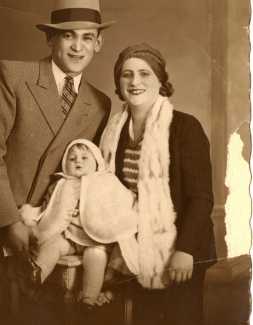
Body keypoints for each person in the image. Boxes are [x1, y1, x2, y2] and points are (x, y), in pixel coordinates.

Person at [0, 1, 114, 324]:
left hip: (45, 234)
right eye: (68, 36)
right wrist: (10, 220)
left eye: (86, 37)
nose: (77, 47)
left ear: (98, 43)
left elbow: (82, 176)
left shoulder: (99, 103)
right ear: (50, 40)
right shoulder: (13, 75)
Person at [100, 43, 217, 325]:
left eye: (145, 74)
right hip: (134, 245)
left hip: (181, 248)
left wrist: (185, 250)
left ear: (161, 81)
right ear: (118, 82)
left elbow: (201, 197)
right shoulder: (111, 131)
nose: (135, 82)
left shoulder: (184, 127)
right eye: (126, 75)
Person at [16, 139, 137, 310]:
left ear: (97, 163)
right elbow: (49, 208)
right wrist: (35, 215)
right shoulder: (61, 184)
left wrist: (134, 209)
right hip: (68, 236)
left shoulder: (107, 180)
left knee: (96, 257)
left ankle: (89, 297)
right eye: (72, 159)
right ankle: (37, 273)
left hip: (94, 239)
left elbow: (123, 199)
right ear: (65, 164)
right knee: (52, 245)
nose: (78, 161)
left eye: (84, 157)